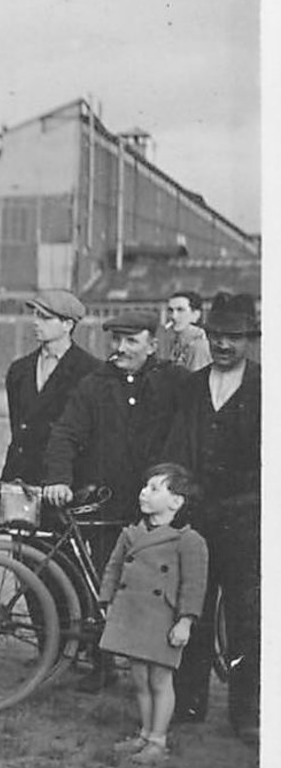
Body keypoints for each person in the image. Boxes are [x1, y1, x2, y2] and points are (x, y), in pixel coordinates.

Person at [43, 309, 186, 693]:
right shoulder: (94, 384)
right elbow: (65, 433)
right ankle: (101, 664)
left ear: (152, 345)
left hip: (157, 506)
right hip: (107, 502)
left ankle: (161, 670)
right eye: (116, 340)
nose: (120, 348)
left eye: (131, 341)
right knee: (102, 581)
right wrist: (59, 478)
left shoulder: (172, 381)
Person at [162, 292, 261, 741]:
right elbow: (177, 446)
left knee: (246, 616)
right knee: (193, 609)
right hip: (198, 519)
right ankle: (189, 702)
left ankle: (247, 712)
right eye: (217, 335)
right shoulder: (191, 385)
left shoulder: (265, 387)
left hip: (247, 521)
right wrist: (179, 493)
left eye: (234, 337)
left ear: (250, 340)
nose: (224, 345)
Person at [96, 463, 208, 764]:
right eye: (145, 486)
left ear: (176, 501)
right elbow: (113, 569)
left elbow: (194, 586)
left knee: (160, 681)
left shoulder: (188, 540)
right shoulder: (131, 534)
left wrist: (185, 621)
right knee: (139, 680)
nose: (144, 492)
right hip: (132, 615)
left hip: (163, 620)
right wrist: (107, 601)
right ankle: (145, 734)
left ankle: (158, 740)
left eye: (155, 488)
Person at [0, 289, 100, 485]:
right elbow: (18, 430)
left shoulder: (91, 372)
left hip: (65, 484)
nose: (36, 322)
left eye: (45, 317)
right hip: (20, 480)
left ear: (68, 325)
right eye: (35, 315)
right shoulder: (19, 370)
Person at [157, 290, 212, 372]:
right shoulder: (175, 342)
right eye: (170, 311)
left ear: (195, 315)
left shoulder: (199, 346)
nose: (174, 316)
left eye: (180, 310)